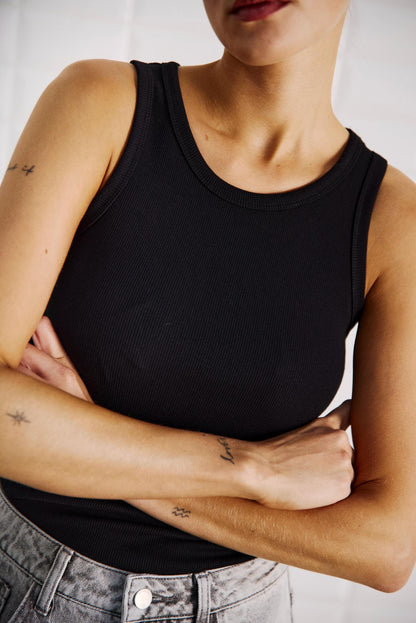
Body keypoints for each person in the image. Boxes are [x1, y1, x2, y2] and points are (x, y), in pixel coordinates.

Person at [0, 0, 415, 621]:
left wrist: (104, 458)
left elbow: (384, 549)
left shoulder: (395, 223)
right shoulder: (99, 103)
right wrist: (251, 469)